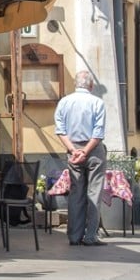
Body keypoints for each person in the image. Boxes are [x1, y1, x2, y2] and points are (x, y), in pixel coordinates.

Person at [54, 70, 107, 247]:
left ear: (75, 84)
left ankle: (74, 236)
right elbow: (98, 133)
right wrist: (85, 151)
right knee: (94, 193)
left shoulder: (64, 102)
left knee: (76, 193)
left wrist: (73, 150)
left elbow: (60, 130)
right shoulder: (97, 102)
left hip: (73, 148)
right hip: (93, 149)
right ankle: (90, 236)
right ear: (91, 85)